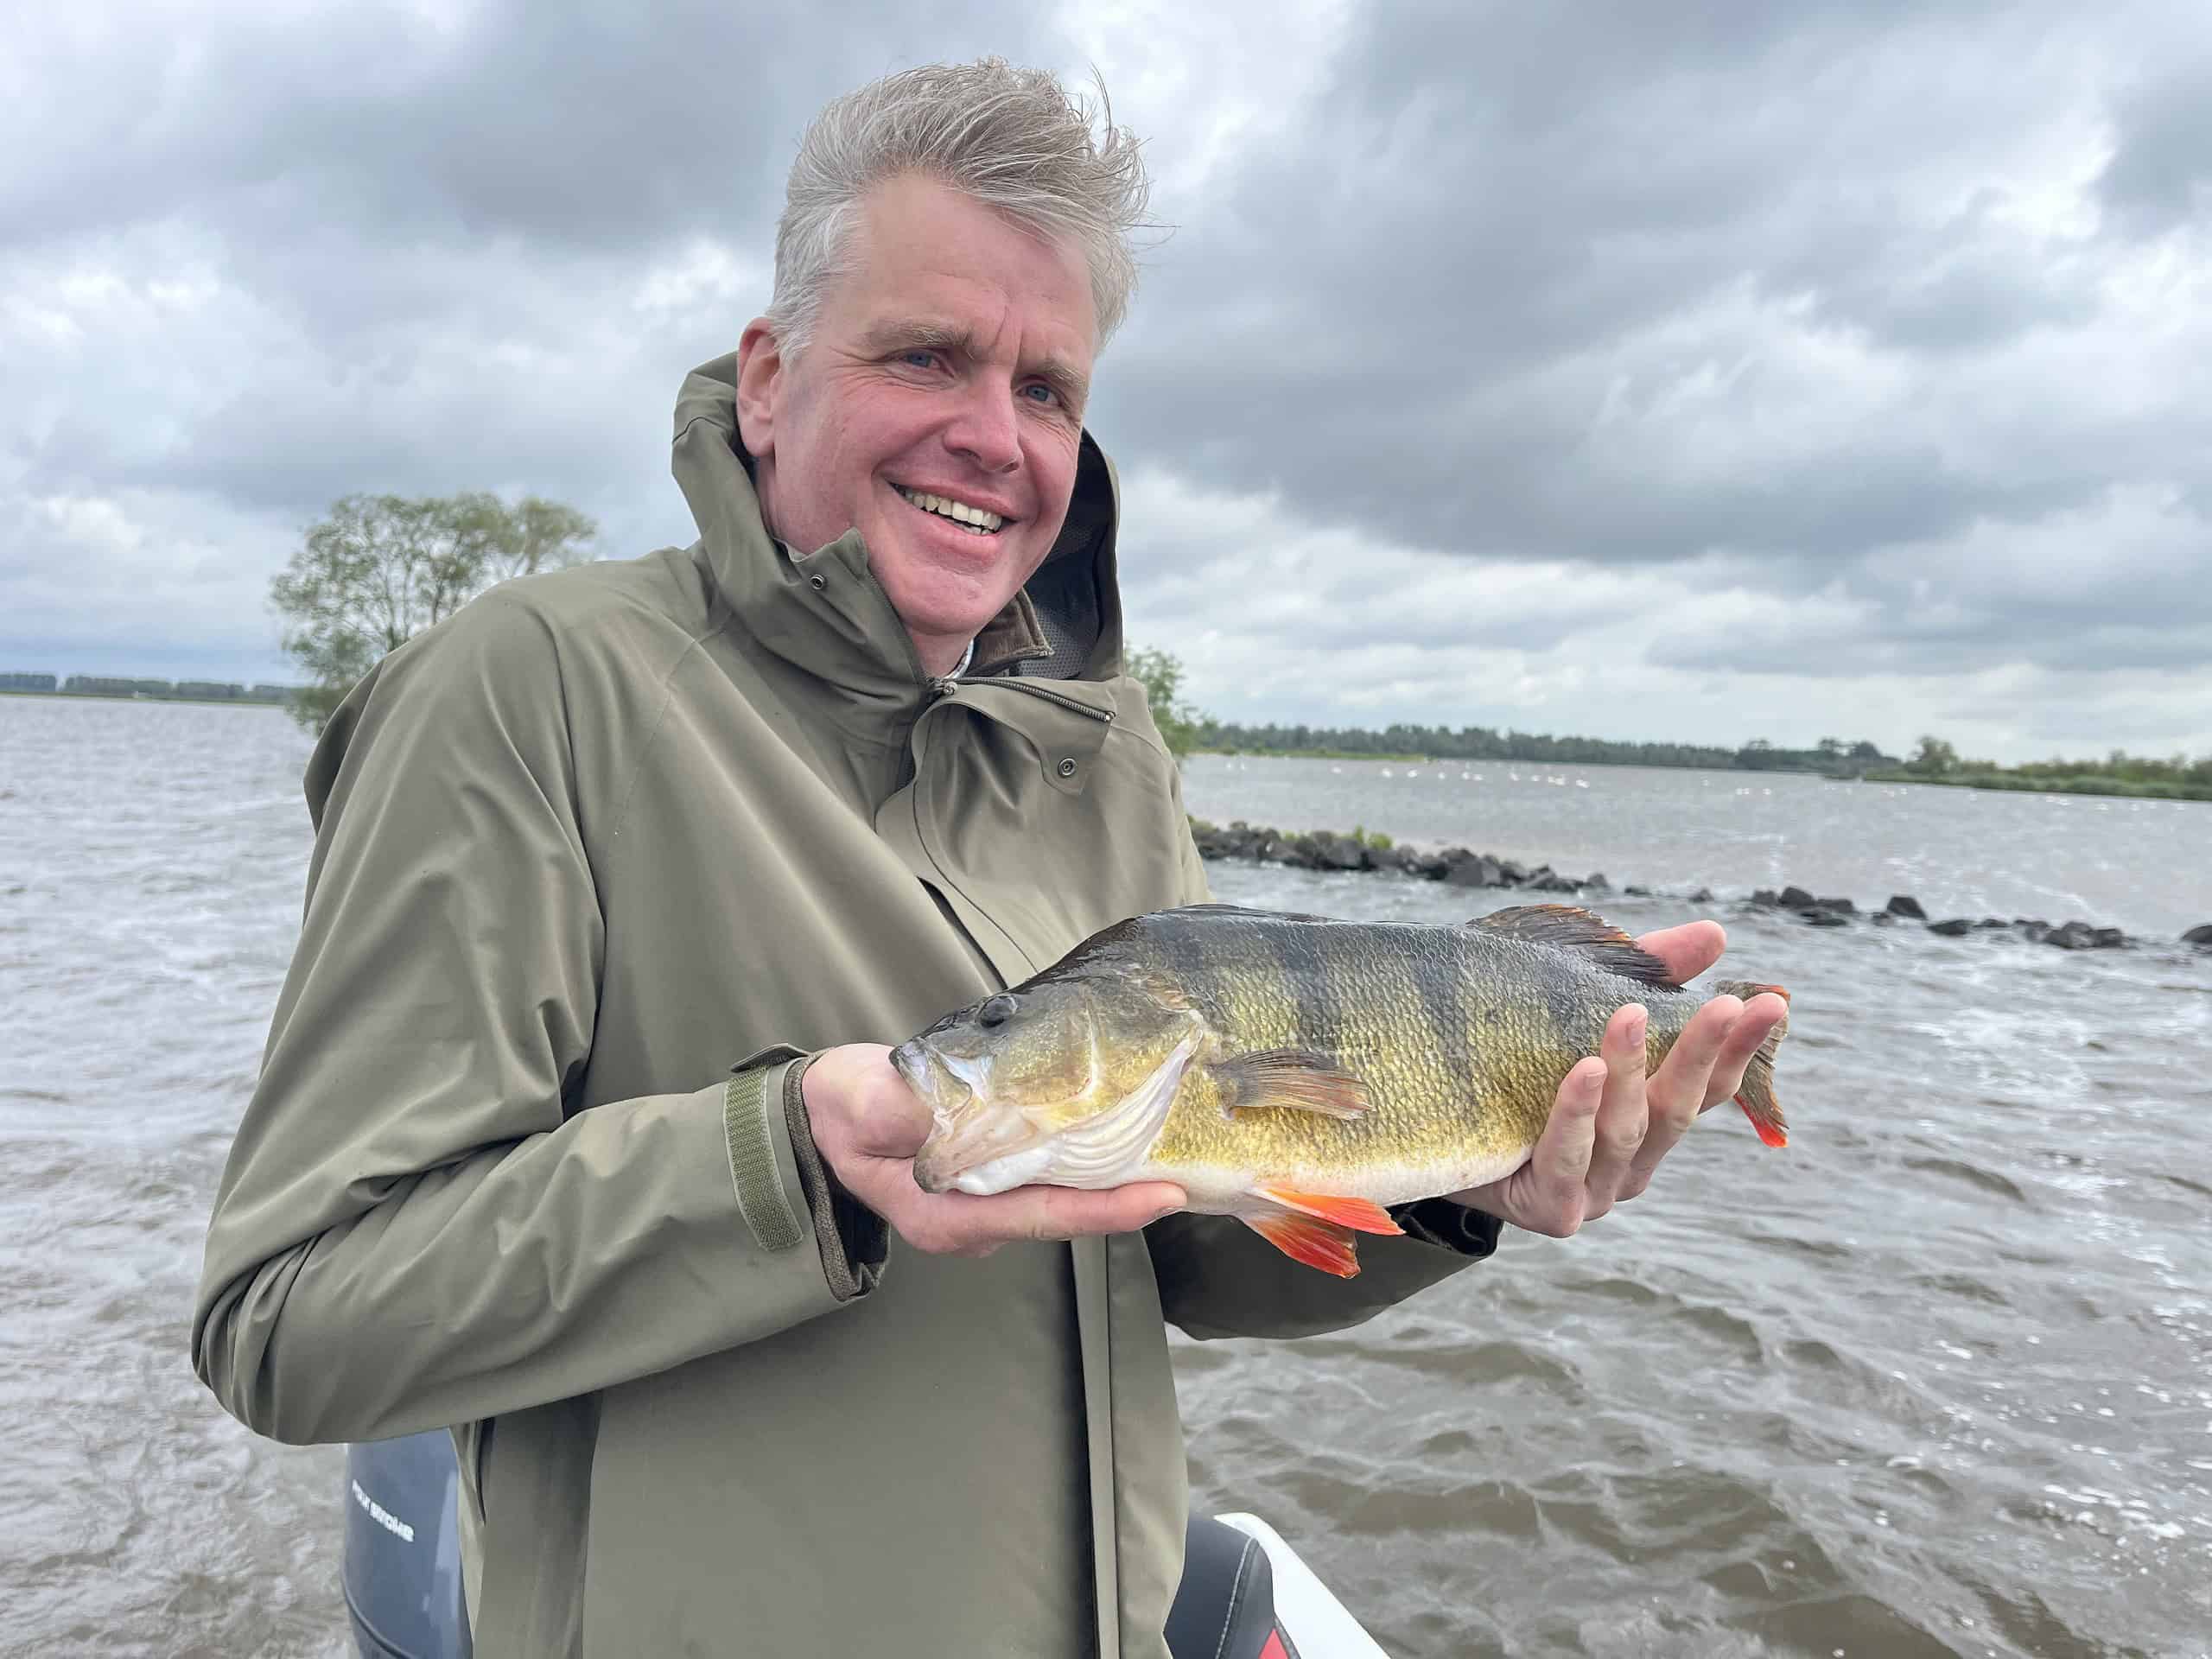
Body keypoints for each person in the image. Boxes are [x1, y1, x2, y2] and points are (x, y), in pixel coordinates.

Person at [192, 59, 1787, 1659]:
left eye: (1048, 391)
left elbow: (1191, 1244)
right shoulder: (532, 688)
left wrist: (1462, 1190)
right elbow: (292, 1320)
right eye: (927, 355)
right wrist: (789, 1164)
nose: (993, 438)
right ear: (765, 377)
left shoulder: (1104, 755)